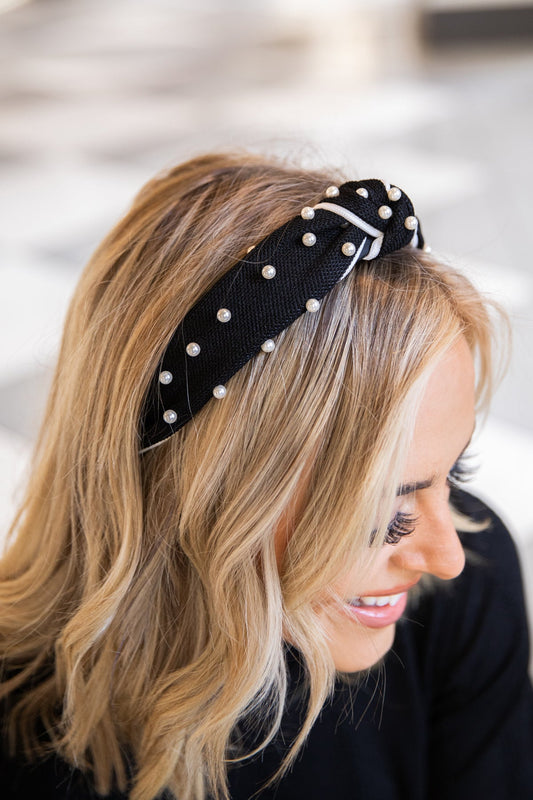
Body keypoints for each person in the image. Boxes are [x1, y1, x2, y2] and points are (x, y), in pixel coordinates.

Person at [0, 152, 532, 800]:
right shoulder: (24, 726)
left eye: (453, 471)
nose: (446, 556)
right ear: (201, 491)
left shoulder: (465, 595)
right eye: (383, 516)